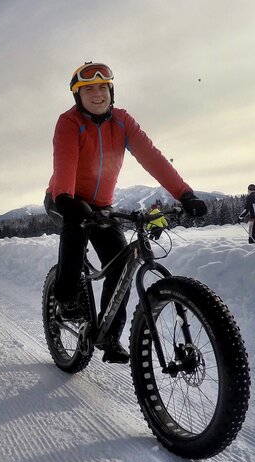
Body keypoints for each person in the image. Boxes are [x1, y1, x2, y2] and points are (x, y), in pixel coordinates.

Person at [45, 61, 207, 364]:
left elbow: (152, 158)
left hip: (102, 206)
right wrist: (67, 198)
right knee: (75, 229)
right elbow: (64, 162)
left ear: (111, 90)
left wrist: (184, 194)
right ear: (77, 96)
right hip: (64, 199)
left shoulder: (122, 122)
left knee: (119, 264)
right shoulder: (69, 122)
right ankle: (66, 300)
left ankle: (108, 336)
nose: (97, 94)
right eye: (88, 89)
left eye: (102, 87)